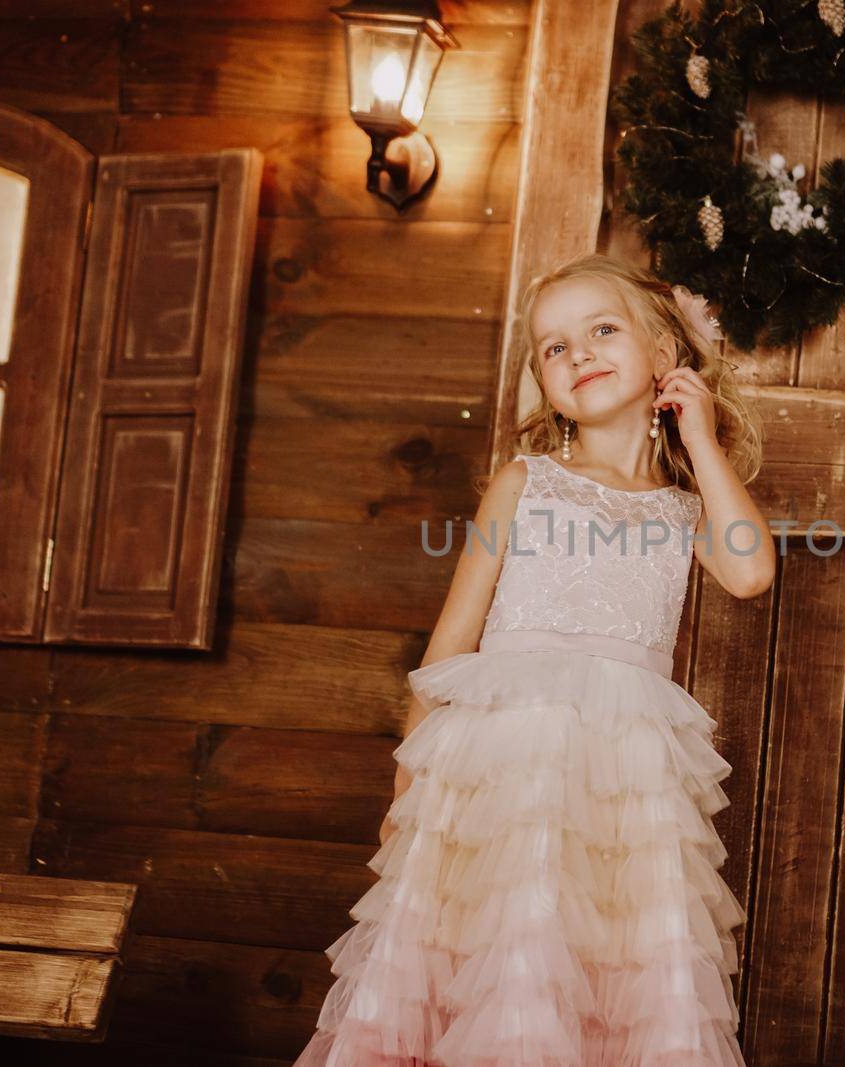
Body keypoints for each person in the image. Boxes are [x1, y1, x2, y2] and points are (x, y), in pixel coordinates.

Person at [294, 250, 775, 1066]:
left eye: (601, 329)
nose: (579, 351)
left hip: (620, 799)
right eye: (555, 346)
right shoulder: (526, 482)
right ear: (544, 381)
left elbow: (750, 569)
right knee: (486, 971)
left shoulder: (685, 505)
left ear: (664, 356)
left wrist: (700, 436)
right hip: (497, 787)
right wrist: (407, 785)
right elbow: (450, 644)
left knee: (601, 980)